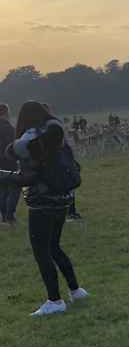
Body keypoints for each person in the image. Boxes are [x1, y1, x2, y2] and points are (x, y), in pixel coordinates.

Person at [0, 101, 89, 316]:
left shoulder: (31, 139)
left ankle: (54, 300)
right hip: (63, 200)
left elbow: (24, 173)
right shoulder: (56, 136)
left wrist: (3, 174)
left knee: (42, 252)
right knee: (54, 247)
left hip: (42, 203)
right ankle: (76, 291)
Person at [0, 104, 20, 228]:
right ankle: (10, 216)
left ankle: (3, 216)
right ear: (6, 113)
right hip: (9, 161)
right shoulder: (9, 128)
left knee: (2, 189)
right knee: (14, 188)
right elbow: (14, 146)